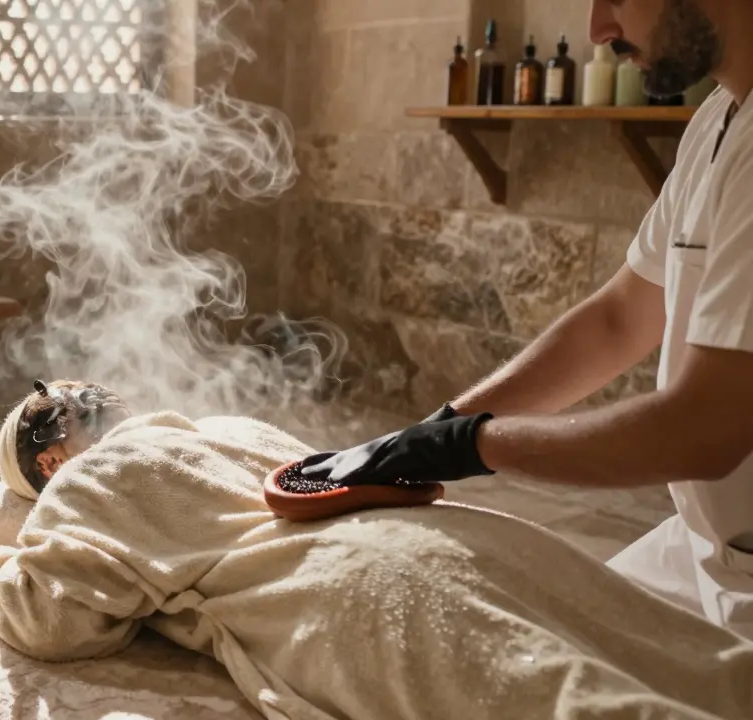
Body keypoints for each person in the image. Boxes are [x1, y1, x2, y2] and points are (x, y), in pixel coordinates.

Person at [292, 0, 753, 640]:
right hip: (704, 553)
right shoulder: (719, 119)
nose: (598, 29)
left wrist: (471, 446)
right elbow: (621, 318)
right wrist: (440, 428)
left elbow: (702, 429)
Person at [0, 379, 753, 720]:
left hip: (374, 579)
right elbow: (59, 604)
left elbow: (55, 619)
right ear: (51, 461)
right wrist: (0, 549)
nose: (79, 388)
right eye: (52, 402)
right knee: (657, 664)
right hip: (429, 553)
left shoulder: (171, 447)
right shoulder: (137, 464)